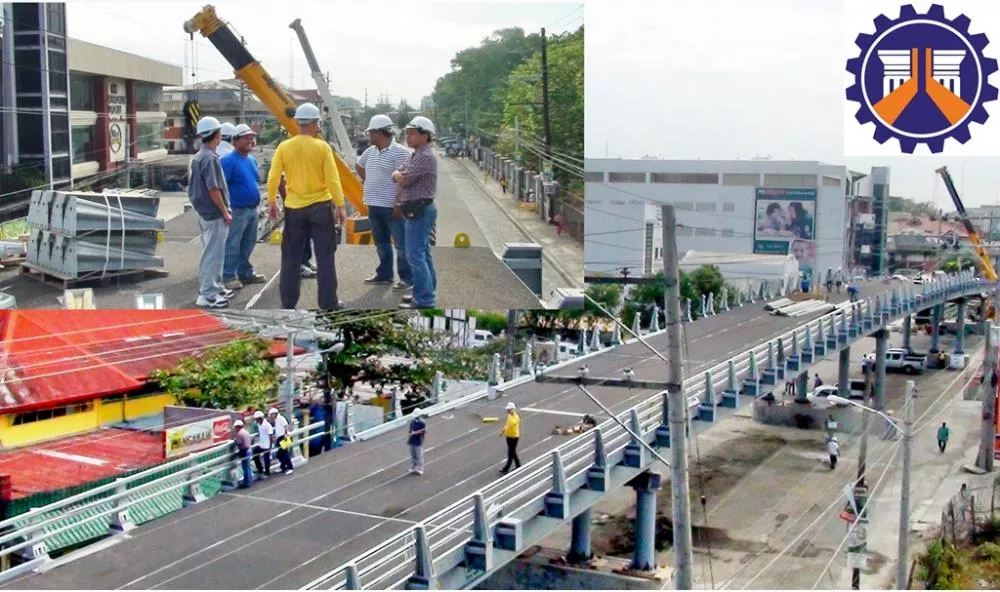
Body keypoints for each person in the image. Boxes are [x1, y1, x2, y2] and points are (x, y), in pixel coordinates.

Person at [265, 103, 346, 310]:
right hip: (320, 207)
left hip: (294, 209)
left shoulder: (284, 147)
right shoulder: (322, 147)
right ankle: (328, 303)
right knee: (325, 257)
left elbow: (273, 176)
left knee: (291, 257)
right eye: (318, 122)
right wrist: (340, 205)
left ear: (299, 122)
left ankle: (288, 303)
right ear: (315, 123)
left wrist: (272, 201)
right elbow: (332, 179)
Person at [357, 114, 412, 290]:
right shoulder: (370, 151)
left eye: (371, 132)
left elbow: (404, 181)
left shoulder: (400, 152)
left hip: (392, 207)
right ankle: (384, 274)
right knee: (381, 242)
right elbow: (359, 166)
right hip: (374, 205)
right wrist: (370, 181)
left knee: (401, 244)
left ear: (380, 133)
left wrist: (398, 204)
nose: (369, 135)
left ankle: (407, 279)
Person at [188, 116, 234, 309]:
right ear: (217, 134)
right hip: (214, 214)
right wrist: (225, 212)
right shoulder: (209, 159)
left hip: (204, 212)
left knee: (216, 252)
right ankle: (208, 294)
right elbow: (213, 188)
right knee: (212, 254)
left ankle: (217, 286)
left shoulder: (200, 156)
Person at [393, 116, 438, 309]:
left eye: (412, 133)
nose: (408, 137)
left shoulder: (425, 156)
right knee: (423, 253)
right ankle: (424, 291)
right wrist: (399, 173)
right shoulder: (416, 154)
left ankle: (424, 299)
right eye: (407, 133)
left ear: (425, 135)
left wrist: (397, 175)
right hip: (418, 208)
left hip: (419, 209)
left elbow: (403, 179)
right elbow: (402, 171)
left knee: (414, 255)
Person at [220, 124, 266, 291]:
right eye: (246, 137)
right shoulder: (227, 161)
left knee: (248, 243)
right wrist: (225, 209)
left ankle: (245, 272)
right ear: (235, 140)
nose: (251, 141)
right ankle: (228, 276)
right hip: (237, 210)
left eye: (252, 137)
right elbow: (219, 186)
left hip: (252, 209)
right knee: (233, 244)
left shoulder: (252, 160)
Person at [269, 407, 295, 475]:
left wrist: (286, 434)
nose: (270, 416)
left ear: (275, 414)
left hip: (284, 437)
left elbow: (286, 426)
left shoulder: (281, 418)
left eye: (271, 414)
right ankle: (283, 467)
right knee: (280, 454)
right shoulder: (277, 419)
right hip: (280, 438)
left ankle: (290, 467)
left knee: (284, 453)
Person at [499, 401, 521, 474]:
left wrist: (502, 431)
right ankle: (518, 464)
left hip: (514, 437)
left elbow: (508, 425)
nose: (508, 411)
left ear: (513, 409)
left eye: (509, 409)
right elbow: (507, 424)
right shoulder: (510, 416)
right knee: (512, 451)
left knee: (511, 452)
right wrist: (503, 432)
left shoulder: (515, 418)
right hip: (509, 436)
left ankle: (506, 468)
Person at [251, 410, 273, 478]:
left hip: (267, 445)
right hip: (261, 444)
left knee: (267, 459)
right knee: (255, 453)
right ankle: (260, 469)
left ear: (260, 418)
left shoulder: (267, 425)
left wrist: (270, 446)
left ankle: (267, 472)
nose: (256, 421)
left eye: (256, 419)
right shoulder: (258, 424)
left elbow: (270, 436)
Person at [232, 419, 253, 488]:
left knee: (245, 467)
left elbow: (238, 442)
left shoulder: (239, 434)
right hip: (249, 450)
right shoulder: (246, 432)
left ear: (237, 427)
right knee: (248, 466)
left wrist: (235, 440)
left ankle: (247, 482)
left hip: (244, 451)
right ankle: (250, 480)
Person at [407, 407, 427, 475]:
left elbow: (423, 431)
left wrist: (415, 432)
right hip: (412, 440)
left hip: (418, 441)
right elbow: (410, 430)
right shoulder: (412, 422)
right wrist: (411, 432)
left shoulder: (422, 422)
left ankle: (420, 468)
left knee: (419, 456)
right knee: (413, 455)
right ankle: (414, 467)